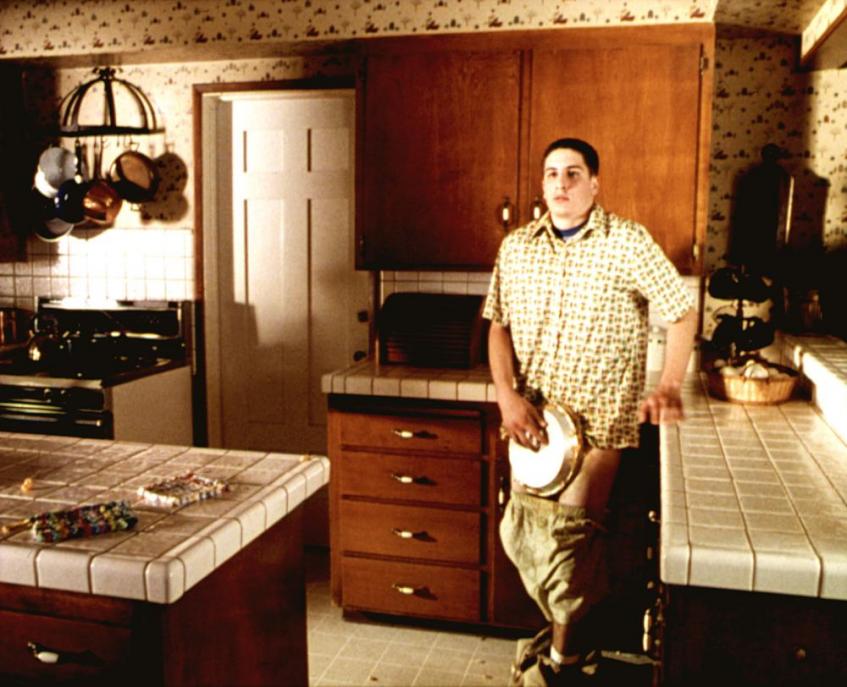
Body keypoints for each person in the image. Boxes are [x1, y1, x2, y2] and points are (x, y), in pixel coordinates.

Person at [484, 138, 697, 686]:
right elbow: (498, 326)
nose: (561, 183)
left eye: (573, 173)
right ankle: (573, 643)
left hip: (601, 422)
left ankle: (563, 665)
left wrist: (669, 384)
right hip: (535, 424)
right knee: (524, 536)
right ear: (542, 184)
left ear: (595, 184)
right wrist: (506, 395)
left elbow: (682, 313)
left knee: (568, 546)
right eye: (552, 173)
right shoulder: (517, 247)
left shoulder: (627, 241)